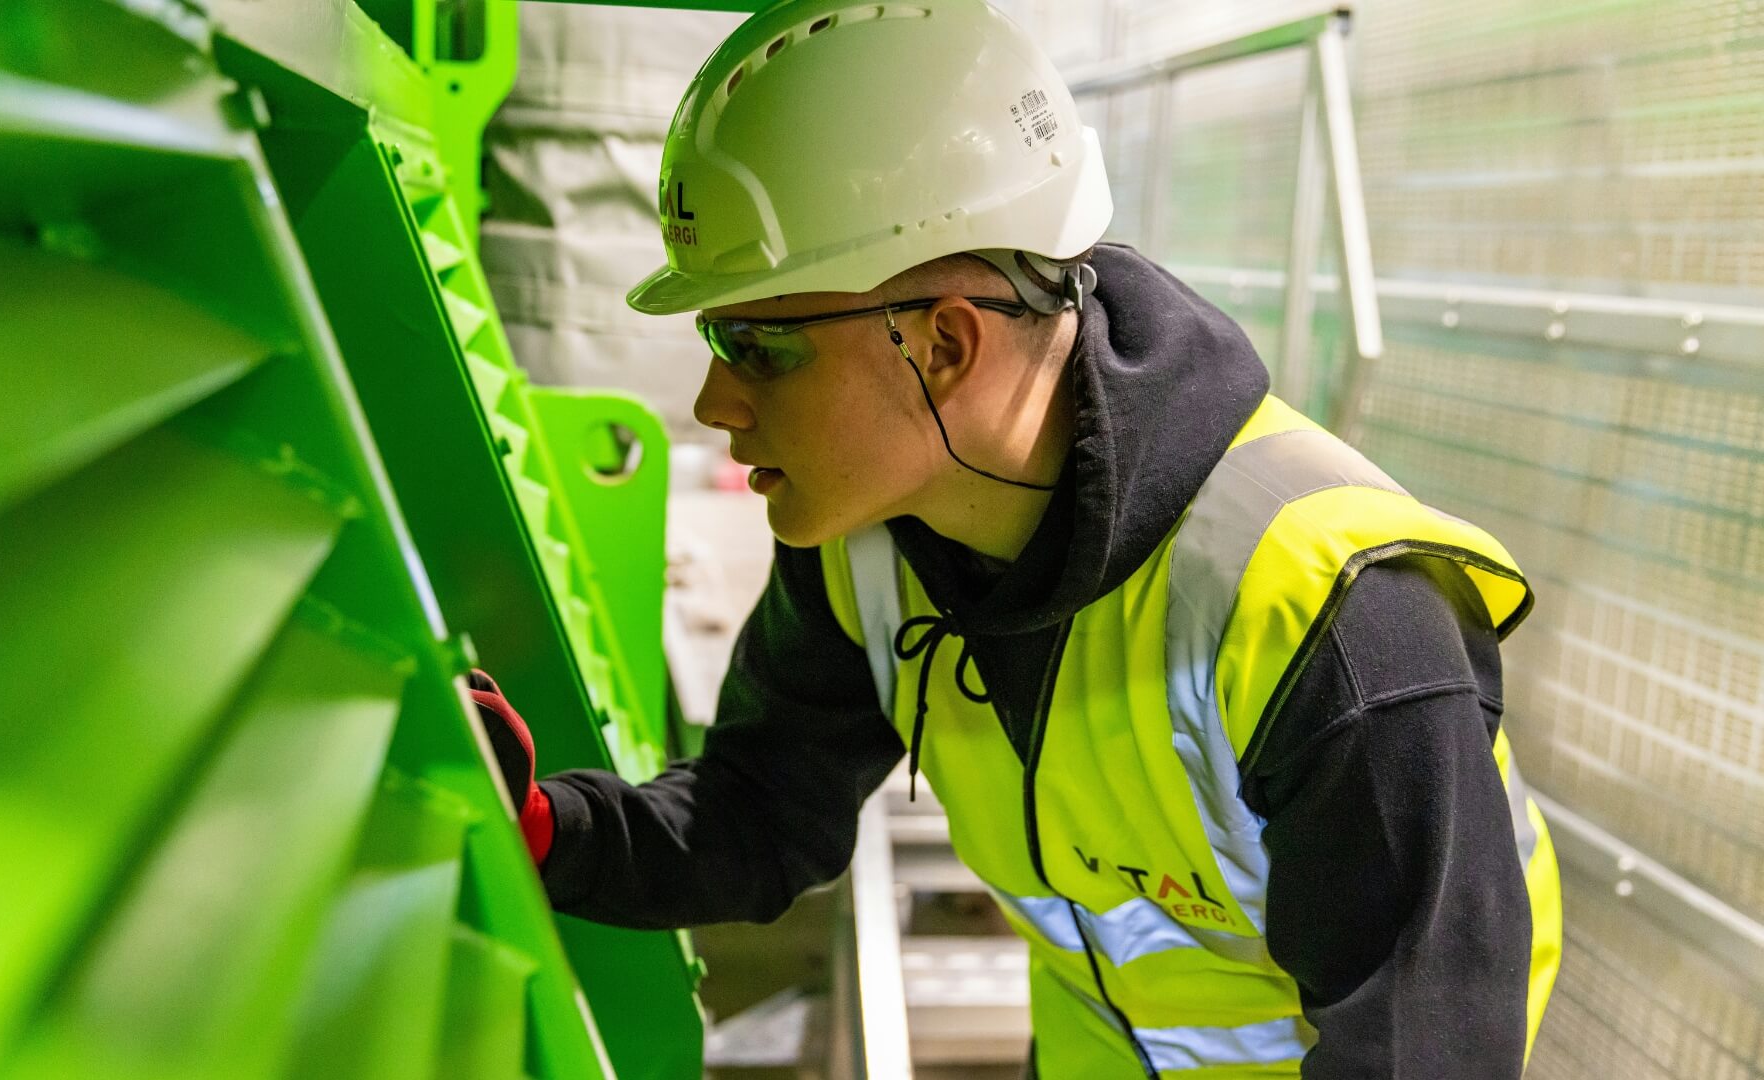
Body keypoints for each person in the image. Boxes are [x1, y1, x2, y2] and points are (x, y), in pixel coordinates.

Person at [469, 1, 1562, 1075]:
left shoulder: (1328, 616)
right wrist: (542, 826)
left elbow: (1428, 1044)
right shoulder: (870, 550)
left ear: (942, 342)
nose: (714, 403)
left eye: (757, 345)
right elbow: (757, 818)